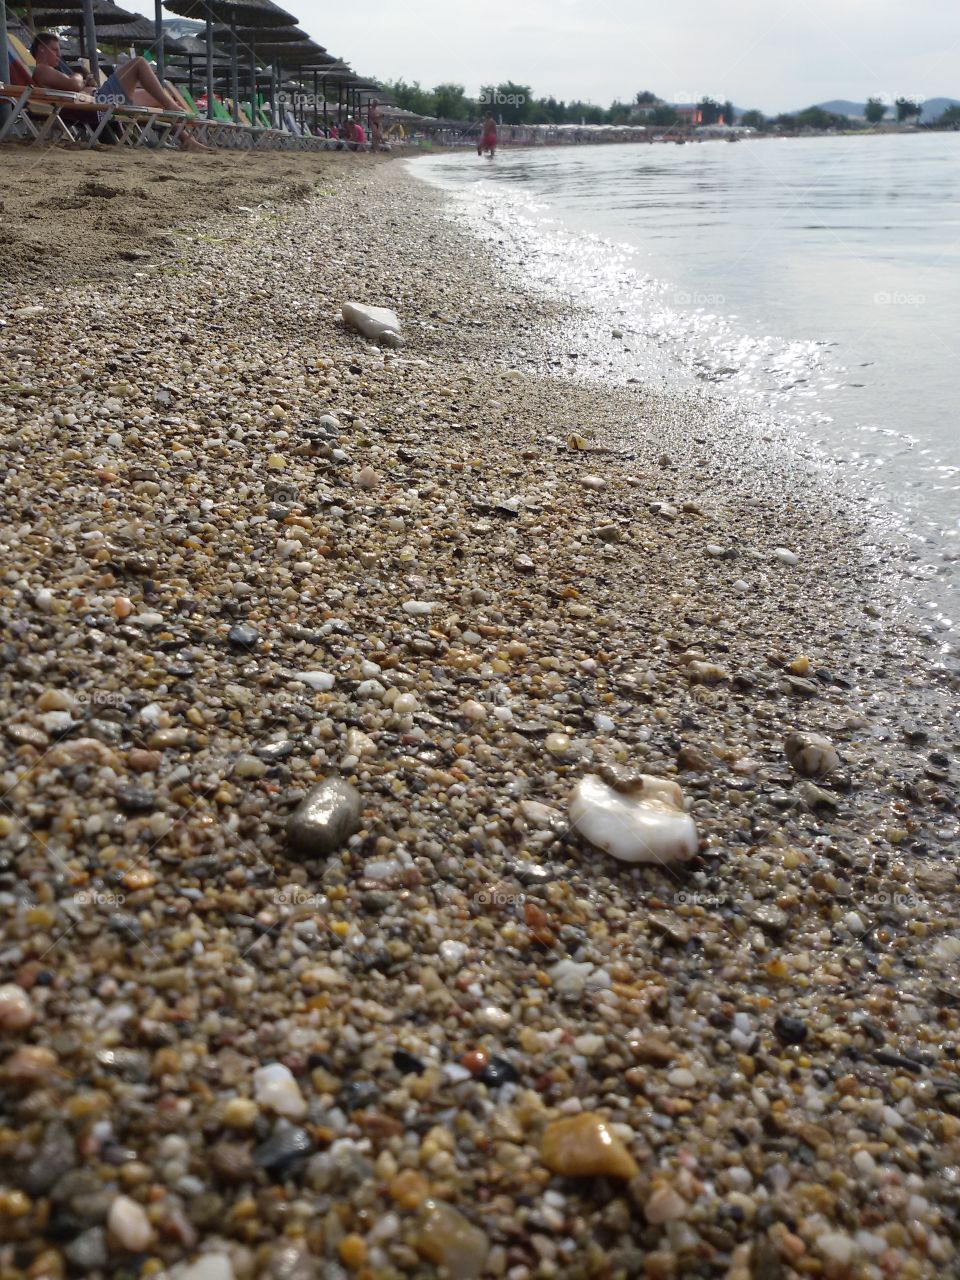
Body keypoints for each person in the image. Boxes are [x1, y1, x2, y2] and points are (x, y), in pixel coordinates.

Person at [29, 33, 209, 151]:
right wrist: (79, 77)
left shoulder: (50, 71)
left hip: (99, 100)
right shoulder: (41, 70)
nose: (59, 55)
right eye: (55, 50)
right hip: (97, 105)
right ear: (41, 49)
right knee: (138, 63)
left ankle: (187, 140)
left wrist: (86, 82)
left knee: (155, 96)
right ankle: (173, 109)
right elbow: (74, 86)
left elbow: (73, 87)